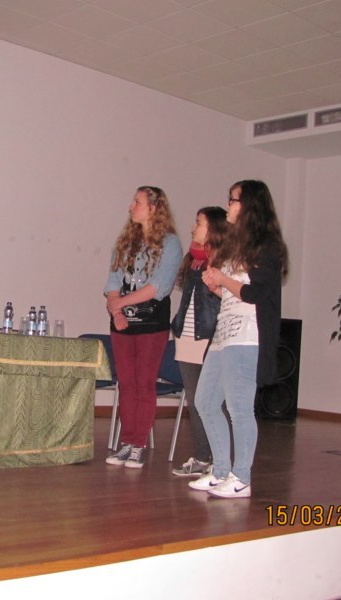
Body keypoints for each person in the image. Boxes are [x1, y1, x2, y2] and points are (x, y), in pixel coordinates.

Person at [188, 180, 288, 498]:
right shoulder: (236, 244)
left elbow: (257, 293)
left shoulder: (265, 245)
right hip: (224, 334)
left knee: (239, 407)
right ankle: (220, 471)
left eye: (233, 200)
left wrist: (223, 279)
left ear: (249, 206)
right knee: (205, 402)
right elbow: (234, 293)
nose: (228, 205)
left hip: (247, 335)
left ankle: (241, 477)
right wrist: (217, 286)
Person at [104, 186, 182, 469]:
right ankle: (126, 442)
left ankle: (138, 444)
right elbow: (113, 282)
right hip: (122, 323)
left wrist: (120, 304)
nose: (131, 206)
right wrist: (116, 310)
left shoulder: (170, 244)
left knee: (144, 383)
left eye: (136, 202)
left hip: (151, 324)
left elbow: (158, 287)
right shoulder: (125, 243)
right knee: (126, 383)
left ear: (153, 208)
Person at [170, 206, 228, 477]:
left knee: (215, 401)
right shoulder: (191, 259)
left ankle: (222, 460)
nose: (193, 228)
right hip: (187, 335)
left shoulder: (226, 263)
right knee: (194, 401)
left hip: (211, 336)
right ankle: (203, 457)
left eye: (199, 223)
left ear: (214, 229)